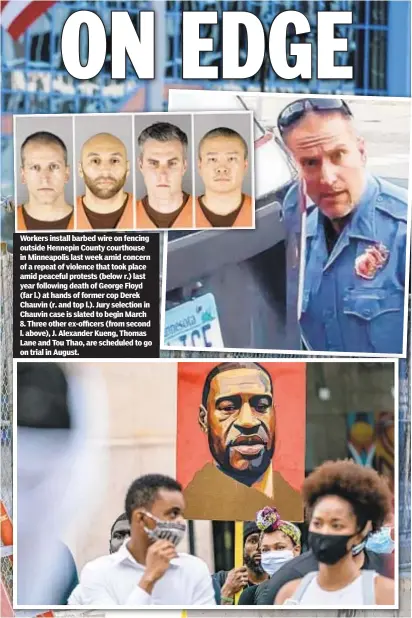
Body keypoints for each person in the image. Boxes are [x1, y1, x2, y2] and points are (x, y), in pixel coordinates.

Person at [278, 98, 408, 354]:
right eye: (310, 163)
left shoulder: (403, 231)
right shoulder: (292, 225)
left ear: (361, 151)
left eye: (338, 156)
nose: (327, 178)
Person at [69, 474, 216, 606]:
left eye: (181, 514)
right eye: (173, 513)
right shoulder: (97, 573)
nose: (181, 522)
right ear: (141, 518)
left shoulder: (194, 569)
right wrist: (148, 580)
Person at [183, 362, 302, 521]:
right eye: (228, 408)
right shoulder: (191, 502)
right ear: (204, 419)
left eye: (261, 406)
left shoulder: (297, 503)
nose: (248, 422)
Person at [274, 459, 394, 606]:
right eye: (317, 523)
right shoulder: (289, 595)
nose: (324, 532)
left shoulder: (385, 595)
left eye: (336, 525)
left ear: (361, 531)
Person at [238, 506, 301, 605]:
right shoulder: (250, 596)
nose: (272, 554)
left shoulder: (312, 589)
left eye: (280, 548)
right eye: (266, 550)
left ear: (296, 550)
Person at [136, 122, 193, 229]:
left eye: (172, 163)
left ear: (184, 166)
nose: (163, 174)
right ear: (141, 165)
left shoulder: (206, 212)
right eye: (153, 163)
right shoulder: (124, 218)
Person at [196, 127, 253, 228]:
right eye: (213, 159)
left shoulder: (260, 210)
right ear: (200, 166)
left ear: (245, 166)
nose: (222, 168)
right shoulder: (181, 216)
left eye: (231, 158)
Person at [17, 131, 74, 230]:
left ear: (67, 173)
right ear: (23, 175)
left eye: (54, 166)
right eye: (35, 167)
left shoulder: (90, 225)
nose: (45, 178)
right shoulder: (5, 225)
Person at [77, 132, 133, 229]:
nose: (105, 171)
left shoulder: (147, 213)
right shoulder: (65, 218)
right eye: (95, 161)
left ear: (127, 168)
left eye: (114, 161)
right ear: (80, 169)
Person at [212, 521, 267, 605]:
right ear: (242, 547)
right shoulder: (219, 581)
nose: (259, 547)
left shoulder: (280, 583)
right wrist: (227, 591)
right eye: (253, 541)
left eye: (265, 542)